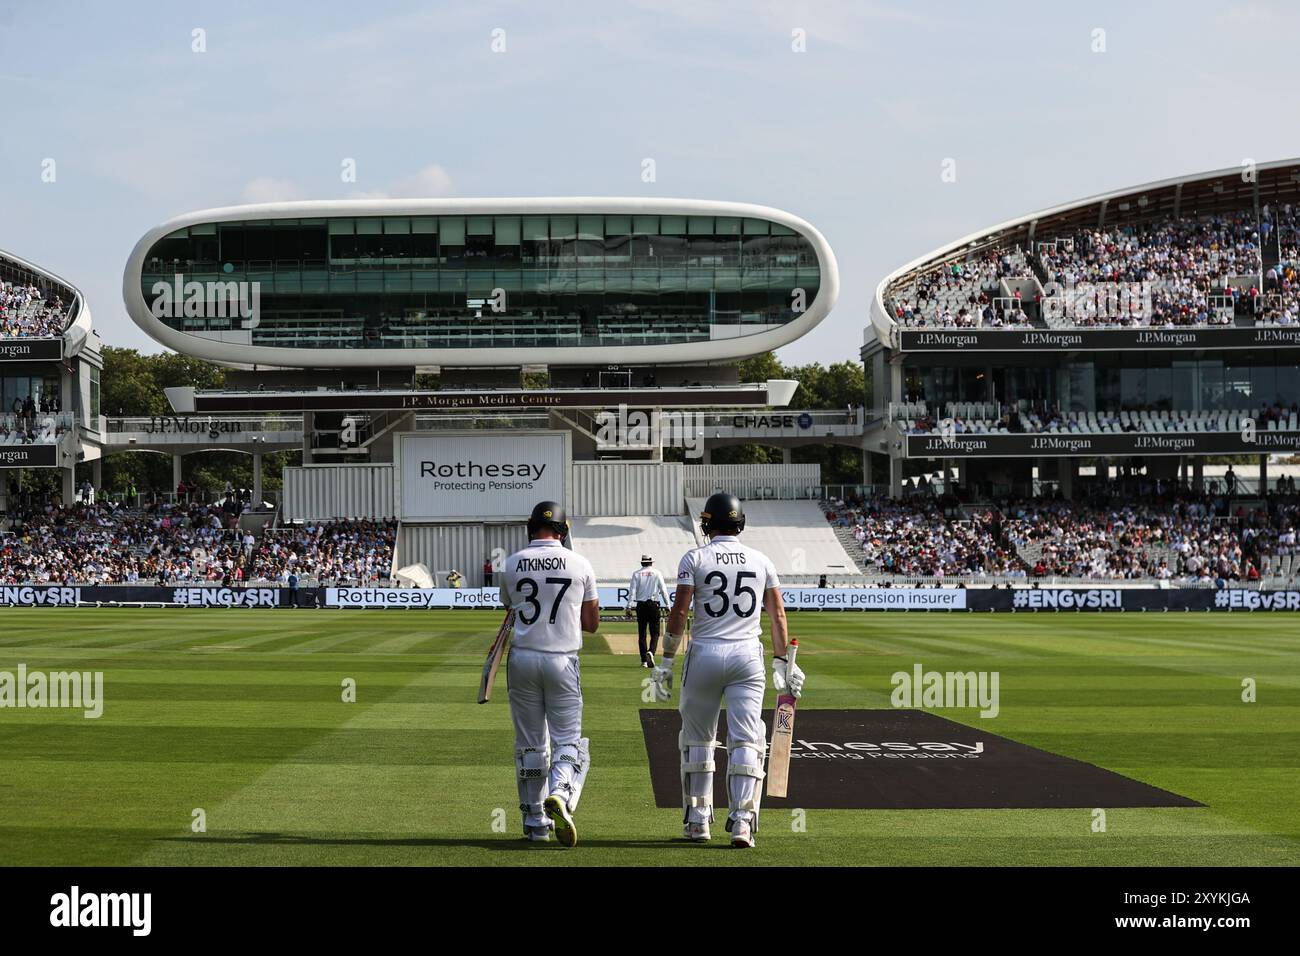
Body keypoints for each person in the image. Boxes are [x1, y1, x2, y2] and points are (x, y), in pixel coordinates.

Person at [650, 492, 804, 849]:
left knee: (698, 739)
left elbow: (679, 612)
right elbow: (778, 615)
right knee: (747, 739)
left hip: (704, 653)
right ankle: (742, 822)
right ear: (740, 523)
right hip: (747, 658)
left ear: (707, 523)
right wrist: (784, 662)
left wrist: (668, 659)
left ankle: (698, 819)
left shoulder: (695, 557)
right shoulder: (761, 560)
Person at [497, 501, 598, 846]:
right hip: (562, 659)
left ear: (531, 528)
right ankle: (560, 792)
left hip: (523, 658)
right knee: (569, 740)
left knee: (530, 744)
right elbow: (592, 624)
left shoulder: (512, 563)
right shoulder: (580, 563)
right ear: (563, 529)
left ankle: (535, 822)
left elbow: (508, 605)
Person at [625, 554, 670, 668]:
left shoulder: (636, 574)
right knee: (655, 633)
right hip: (653, 604)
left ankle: (644, 660)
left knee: (642, 633)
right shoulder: (657, 573)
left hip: (641, 605)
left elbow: (632, 591)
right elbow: (663, 590)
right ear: (651, 563)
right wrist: (668, 606)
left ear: (641, 563)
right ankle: (651, 652)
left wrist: (629, 606)